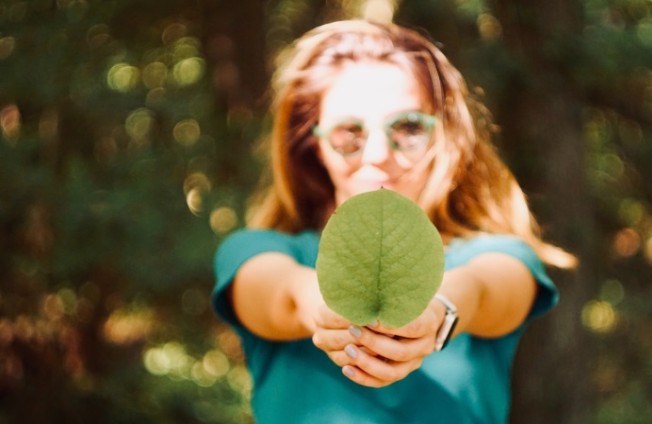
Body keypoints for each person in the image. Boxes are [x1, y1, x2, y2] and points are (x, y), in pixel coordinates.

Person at [212, 19, 576, 424]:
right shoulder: (256, 251)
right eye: (349, 131)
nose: (378, 154)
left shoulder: (497, 254)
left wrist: (438, 313)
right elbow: (282, 294)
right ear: (312, 144)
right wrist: (325, 309)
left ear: (444, 135)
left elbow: (485, 289)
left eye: (407, 128)